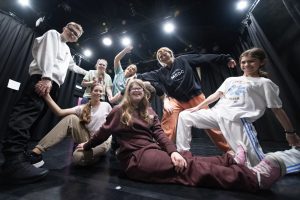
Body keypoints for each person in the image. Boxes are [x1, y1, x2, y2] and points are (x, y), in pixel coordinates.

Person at [76, 79, 286, 192]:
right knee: (187, 168)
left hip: (152, 151)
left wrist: (174, 151)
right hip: (136, 159)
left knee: (185, 159)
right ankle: (253, 179)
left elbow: (160, 135)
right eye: (133, 88)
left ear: (145, 93)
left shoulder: (150, 112)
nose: (137, 89)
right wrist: (86, 146)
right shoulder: (119, 111)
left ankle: (229, 160)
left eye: (140, 87)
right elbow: (103, 133)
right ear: (128, 93)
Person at [176, 47, 300, 174]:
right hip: (216, 114)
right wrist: (197, 107)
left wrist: (290, 132)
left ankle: (296, 157)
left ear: (261, 62)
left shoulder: (264, 83)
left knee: (257, 165)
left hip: (237, 121)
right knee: (185, 115)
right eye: (243, 62)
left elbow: (277, 110)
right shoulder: (231, 80)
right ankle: (183, 153)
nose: (246, 64)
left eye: (251, 61)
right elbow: (215, 95)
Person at [1, 22, 87, 183]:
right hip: (43, 79)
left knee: (33, 119)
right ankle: (12, 160)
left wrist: (91, 72)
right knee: (26, 114)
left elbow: (73, 67)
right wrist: (46, 77)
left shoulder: (67, 50)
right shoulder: (53, 34)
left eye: (76, 35)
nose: (73, 34)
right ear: (64, 28)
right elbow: (47, 54)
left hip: (53, 84)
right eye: (71, 30)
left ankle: (20, 156)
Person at [137, 47, 236, 153]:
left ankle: (229, 150)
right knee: (168, 121)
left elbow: (204, 58)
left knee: (210, 126)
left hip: (195, 97)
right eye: (159, 55)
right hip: (176, 100)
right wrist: (135, 77)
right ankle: (161, 150)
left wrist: (226, 58)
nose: (161, 54)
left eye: (163, 52)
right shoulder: (160, 72)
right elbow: (145, 76)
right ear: (160, 60)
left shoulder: (183, 60)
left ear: (170, 53)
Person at [28, 84, 112, 167]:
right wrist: (46, 95)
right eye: (96, 90)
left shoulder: (106, 106)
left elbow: (110, 127)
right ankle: (36, 153)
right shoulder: (83, 108)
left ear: (103, 93)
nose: (98, 93)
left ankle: (97, 155)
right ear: (91, 92)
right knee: (71, 118)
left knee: (78, 157)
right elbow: (59, 112)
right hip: (88, 139)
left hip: (102, 140)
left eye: (100, 91)